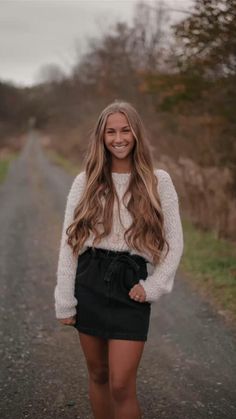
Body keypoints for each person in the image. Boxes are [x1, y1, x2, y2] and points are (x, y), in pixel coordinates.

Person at [54, 100, 184, 419]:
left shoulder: (159, 181)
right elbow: (69, 244)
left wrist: (154, 285)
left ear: (137, 133)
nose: (118, 138)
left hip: (130, 285)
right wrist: (64, 299)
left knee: (121, 385)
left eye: (125, 130)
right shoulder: (85, 181)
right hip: (90, 281)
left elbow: (174, 243)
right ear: (101, 137)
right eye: (110, 132)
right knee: (98, 375)